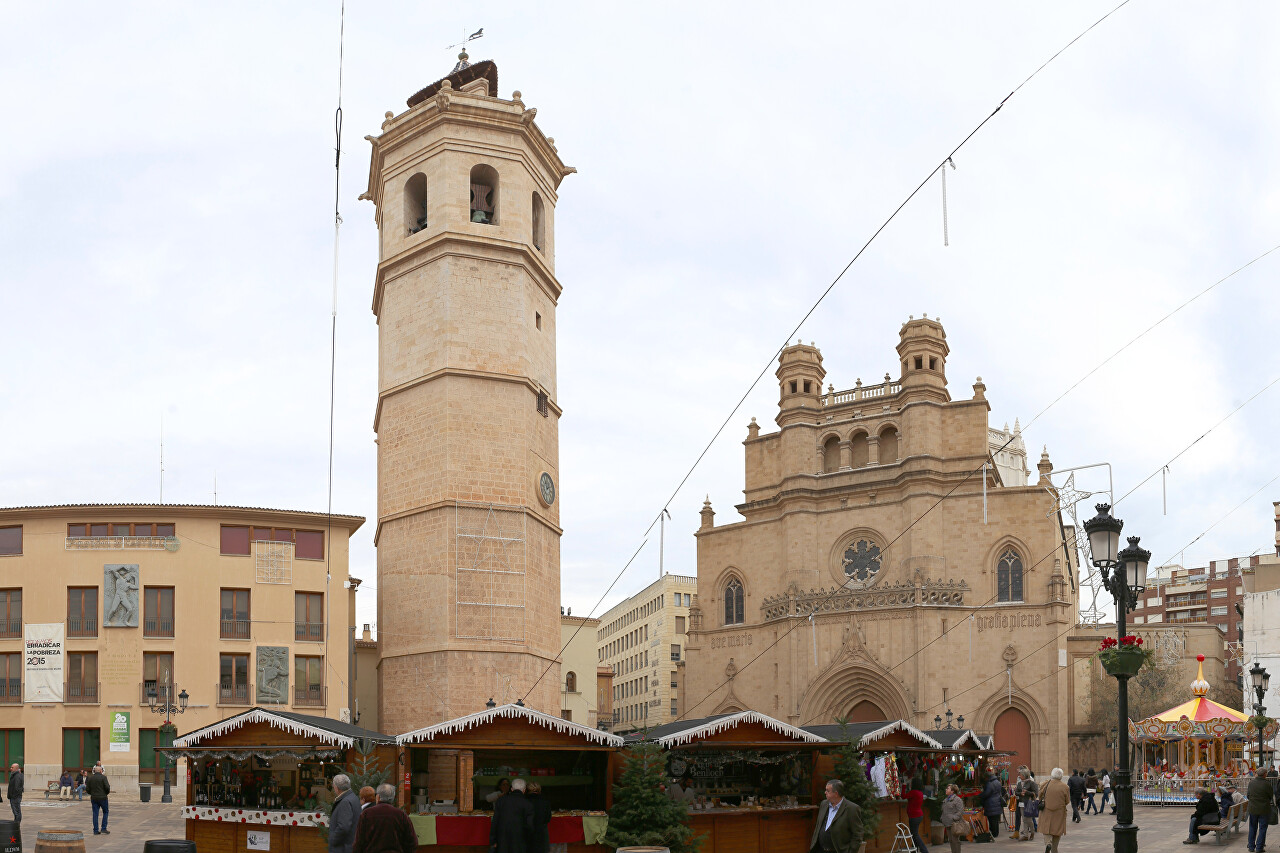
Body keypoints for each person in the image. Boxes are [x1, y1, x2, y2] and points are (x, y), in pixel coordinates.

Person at [352, 783, 417, 853]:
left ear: (378, 797)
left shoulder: (366, 814)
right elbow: (412, 841)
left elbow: (359, 842)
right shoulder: (401, 815)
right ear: (393, 798)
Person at [808, 779, 862, 853]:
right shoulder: (824, 804)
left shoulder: (851, 809)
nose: (825, 792)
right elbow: (818, 826)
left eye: (828, 791)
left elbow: (857, 835)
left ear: (836, 793)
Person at [490, 777, 535, 853]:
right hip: (520, 841)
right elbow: (530, 826)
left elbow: (495, 822)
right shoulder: (528, 804)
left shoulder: (501, 801)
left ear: (511, 789)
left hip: (502, 840)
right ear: (524, 790)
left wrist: (493, 840)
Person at [1039, 768, 1071, 853]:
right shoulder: (1065, 787)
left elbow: (1040, 796)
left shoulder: (1045, 784)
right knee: (1057, 831)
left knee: (1046, 829)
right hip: (1059, 812)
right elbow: (1067, 801)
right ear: (1061, 776)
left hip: (1046, 810)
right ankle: (1054, 849)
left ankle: (1048, 843)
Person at [1245, 770, 1277, 851]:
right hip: (1264, 809)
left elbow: (1248, 795)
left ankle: (1251, 846)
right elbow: (1270, 795)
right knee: (1262, 828)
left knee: (1252, 827)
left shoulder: (1251, 783)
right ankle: (1259, 847)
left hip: (1253, 808)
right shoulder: (1267, 783)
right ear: (1265, 774)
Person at [328, 774, 360, 853]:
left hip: (343, 848)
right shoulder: (353, 797)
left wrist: (333, 839)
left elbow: (344, 827)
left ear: (336, 788)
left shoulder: (345, 801)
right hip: (349, 845)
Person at [939, 783, 966, 853]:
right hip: (947, 823)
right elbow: (944, 810)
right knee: (951, 840)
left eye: (948, 788)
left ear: (952, 791)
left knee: (955, 840)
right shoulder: (946, 800)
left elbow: (960, 811)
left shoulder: (957, 800)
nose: (946, 789)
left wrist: (954, 818)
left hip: (954, 824)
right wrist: (942, 818)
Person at [905, 777, 929, 853]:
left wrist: (903, 786)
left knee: (915, 834)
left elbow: (903, 796)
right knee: (914, 834)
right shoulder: (920, 793)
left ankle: (924, 850)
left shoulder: (913, 792)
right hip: (919, 815)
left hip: (913, 816)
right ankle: (914, 850)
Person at [526, 781, 552, 853]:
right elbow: (547, 819)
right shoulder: (545, 802)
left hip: (526, 835)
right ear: (539, 790)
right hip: (541, 835)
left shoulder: (523, 802)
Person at [86, 764, 110, 835]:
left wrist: (91, 793)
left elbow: (87, 789)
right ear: (100, 771)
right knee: (105, 812)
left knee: (95, 813)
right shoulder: (103, 778)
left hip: (94, 798)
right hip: (103, 798)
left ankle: (95, 830)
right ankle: (103, 828)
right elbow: (107, 787)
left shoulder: (90, 778)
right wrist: (105, 793)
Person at [980, 772, 1005, 839]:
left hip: (991, 803)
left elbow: (987, 793)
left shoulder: (989, 783)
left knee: (991, 820)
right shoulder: (997, 782)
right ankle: (996, 832)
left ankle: (993, 833)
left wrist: (980, 795)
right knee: (995, 820)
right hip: (997, 802)